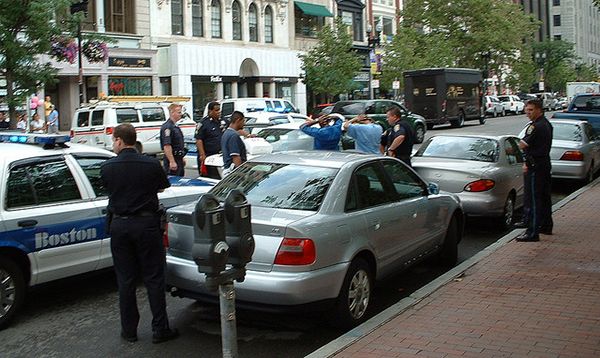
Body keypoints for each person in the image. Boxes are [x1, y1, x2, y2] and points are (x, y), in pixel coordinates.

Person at [100, 123, 179, 344]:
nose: (112, 144)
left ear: (118, 140)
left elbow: (108, 188)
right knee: (154, 278)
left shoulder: (108, 167)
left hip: (119, 226)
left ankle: (129, 331)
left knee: (125, 280)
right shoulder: (151, 164)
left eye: (113, 140)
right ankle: (160, 329)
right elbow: (162, 187)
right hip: (146, 225)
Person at [515, 98, 553, 242]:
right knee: (544, 197)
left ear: (539, 110)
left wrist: (511, 148)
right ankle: (545, 225)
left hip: (536, 166)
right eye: (526, 109)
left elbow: (523, 144)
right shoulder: (546, 124)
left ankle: (532, 232)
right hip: (543, 164)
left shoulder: (536, 126)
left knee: (534, 199)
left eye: (530, 110)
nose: (527, 113)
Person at [195, 101, 225, 179]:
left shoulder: (222, 121)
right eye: (216, 110)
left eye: (219, 110)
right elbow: (199, 139)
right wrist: (202, 155)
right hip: (208, 156)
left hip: (220, 156)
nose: (219, 112)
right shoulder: (203, 123)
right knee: (208, 178)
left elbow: (233, 128)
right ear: (210, 111)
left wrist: (248, 135)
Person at [159, 103, 186, 176]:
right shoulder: (168, 127)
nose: (181, 114)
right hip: (173, 158)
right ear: (172, 112)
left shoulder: (175, 126)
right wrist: (172, 161)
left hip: (178, 158)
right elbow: (167, 145)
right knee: (174, 180)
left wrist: (182, 158)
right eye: (179, 112)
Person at [221, 111, 247, 175]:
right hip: (233, 172)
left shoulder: (226, 133)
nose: (244, 124)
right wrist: (241, 173)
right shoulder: (233, 135)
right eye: (243, 121)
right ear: (238, 120)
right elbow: (235, 156)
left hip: (227, 170)